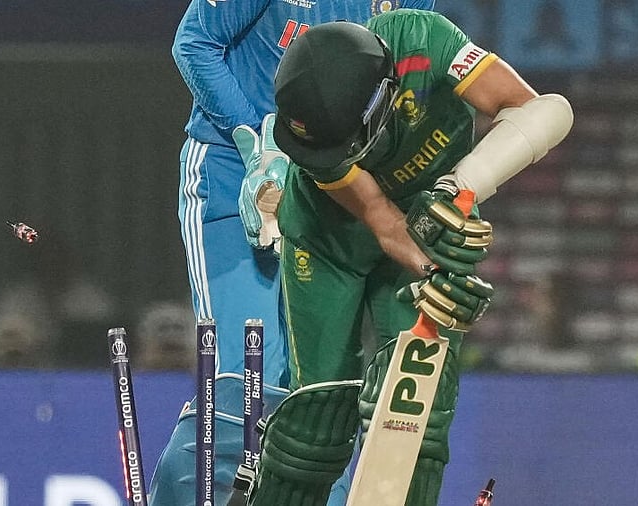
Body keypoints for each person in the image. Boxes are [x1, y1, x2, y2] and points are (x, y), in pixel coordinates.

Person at [245, 11, 573, 506]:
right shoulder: (311, 130)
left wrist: (457, 190)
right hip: (328, 241)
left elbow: (542, 111)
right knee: (317, 421)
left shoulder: (426, 40)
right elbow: (383, 220)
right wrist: (436, 269)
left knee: (415, 413)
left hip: (434, 219)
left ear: (383, 100)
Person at [151, 1, 434, 505]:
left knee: (319, 396)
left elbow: (402, 83)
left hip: (335, 182)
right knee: (246, 389)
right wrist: (258, 142)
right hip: (231, 173)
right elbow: (194, 45)